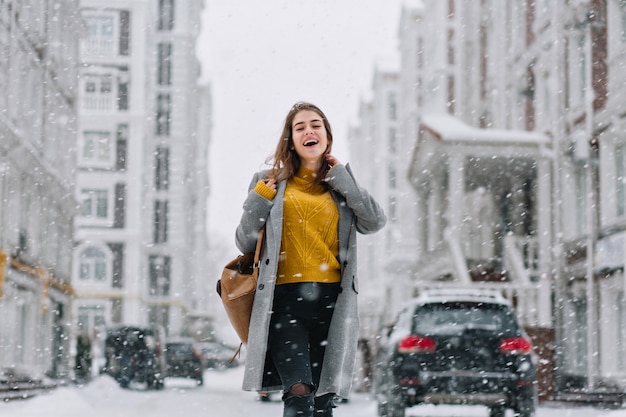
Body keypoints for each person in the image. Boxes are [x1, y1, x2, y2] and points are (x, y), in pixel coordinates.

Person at [235, 101, 386, 417]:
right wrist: (260, 199)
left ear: (327, 137)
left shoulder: (340, 186)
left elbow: (374, 221)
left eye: (316, 125)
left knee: (322, 401)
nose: (309, 131)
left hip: (332, 304)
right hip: (285, 303)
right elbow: (245, 240)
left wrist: (343, 178)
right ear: (291, 140)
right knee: (299, 392)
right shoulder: (268, 183)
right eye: (300, 127)